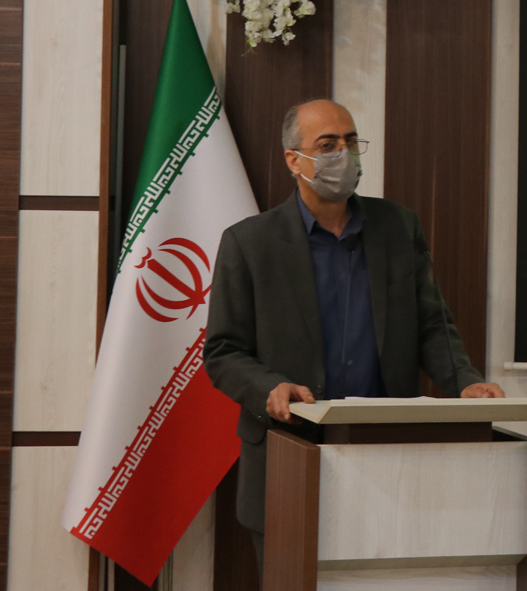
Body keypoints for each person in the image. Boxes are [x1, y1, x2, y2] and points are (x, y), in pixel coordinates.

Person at [204, 99, 504, 578]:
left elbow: (431, 324)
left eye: (350, 142)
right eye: (327, 145)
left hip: (386, 455)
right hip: (290, 454)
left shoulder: (398, 227)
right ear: (293, 159)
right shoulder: (249, 242)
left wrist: (464, 382)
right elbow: (223, 351)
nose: (343, 155)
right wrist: (269, 388)